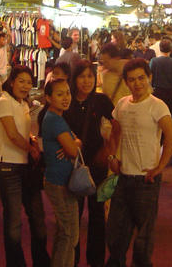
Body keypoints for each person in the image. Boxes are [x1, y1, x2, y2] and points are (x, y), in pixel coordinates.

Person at [106, 59, 172, 267]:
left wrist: (160, 167)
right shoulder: (122, 105)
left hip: (146, 179)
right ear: (126, 82)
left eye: (141, 78)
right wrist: (112, 157)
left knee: (144, 237)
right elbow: (114, 133)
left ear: (149, 78)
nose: (137, 83)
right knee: (116, 233)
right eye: (132, 80)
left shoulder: (157, 106)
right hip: (123, 177)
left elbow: (171, 136)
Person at [0, 66, 49, 267]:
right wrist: (31, 149)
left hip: (26, 167)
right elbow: (12, 134)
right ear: (12, 81)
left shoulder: (23, 104)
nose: (25, 86)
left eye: (29, 82)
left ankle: (41, 261)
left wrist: (31, 139)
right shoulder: (4, 102)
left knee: (38, 218)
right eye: (21, 81)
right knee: (14, 222)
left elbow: (22, 132)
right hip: (7, 167)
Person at [64, 61, 114, 267]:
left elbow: (118, 123)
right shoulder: (66, 100)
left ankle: (96, 260)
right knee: (73, 216)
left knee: (97, 214)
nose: (87, 81)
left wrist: (108, 149)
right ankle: (72, 260)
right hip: (72, 164)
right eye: (82, 76)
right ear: (74, 79)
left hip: (97, 164)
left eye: (90, 77)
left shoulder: (100, 100)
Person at [39, 79, 81, 267]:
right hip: (59, 182)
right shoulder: (54, 120)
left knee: (67, 232)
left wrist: (74, 144)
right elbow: (73, 150)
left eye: (68, 93)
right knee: (69, 233)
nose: (66, 98)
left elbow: (75, 144)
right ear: (48, 98)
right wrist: (75, 144)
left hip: (62, 181)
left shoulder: (56, 118)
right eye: (60, 94)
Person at [149, 38, 172, 116]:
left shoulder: (154, 61)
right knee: (169, 116)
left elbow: (149, 78)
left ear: (160, 48)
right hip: (171, 95)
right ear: (171, 49)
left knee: (156, 117)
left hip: (157, 94)